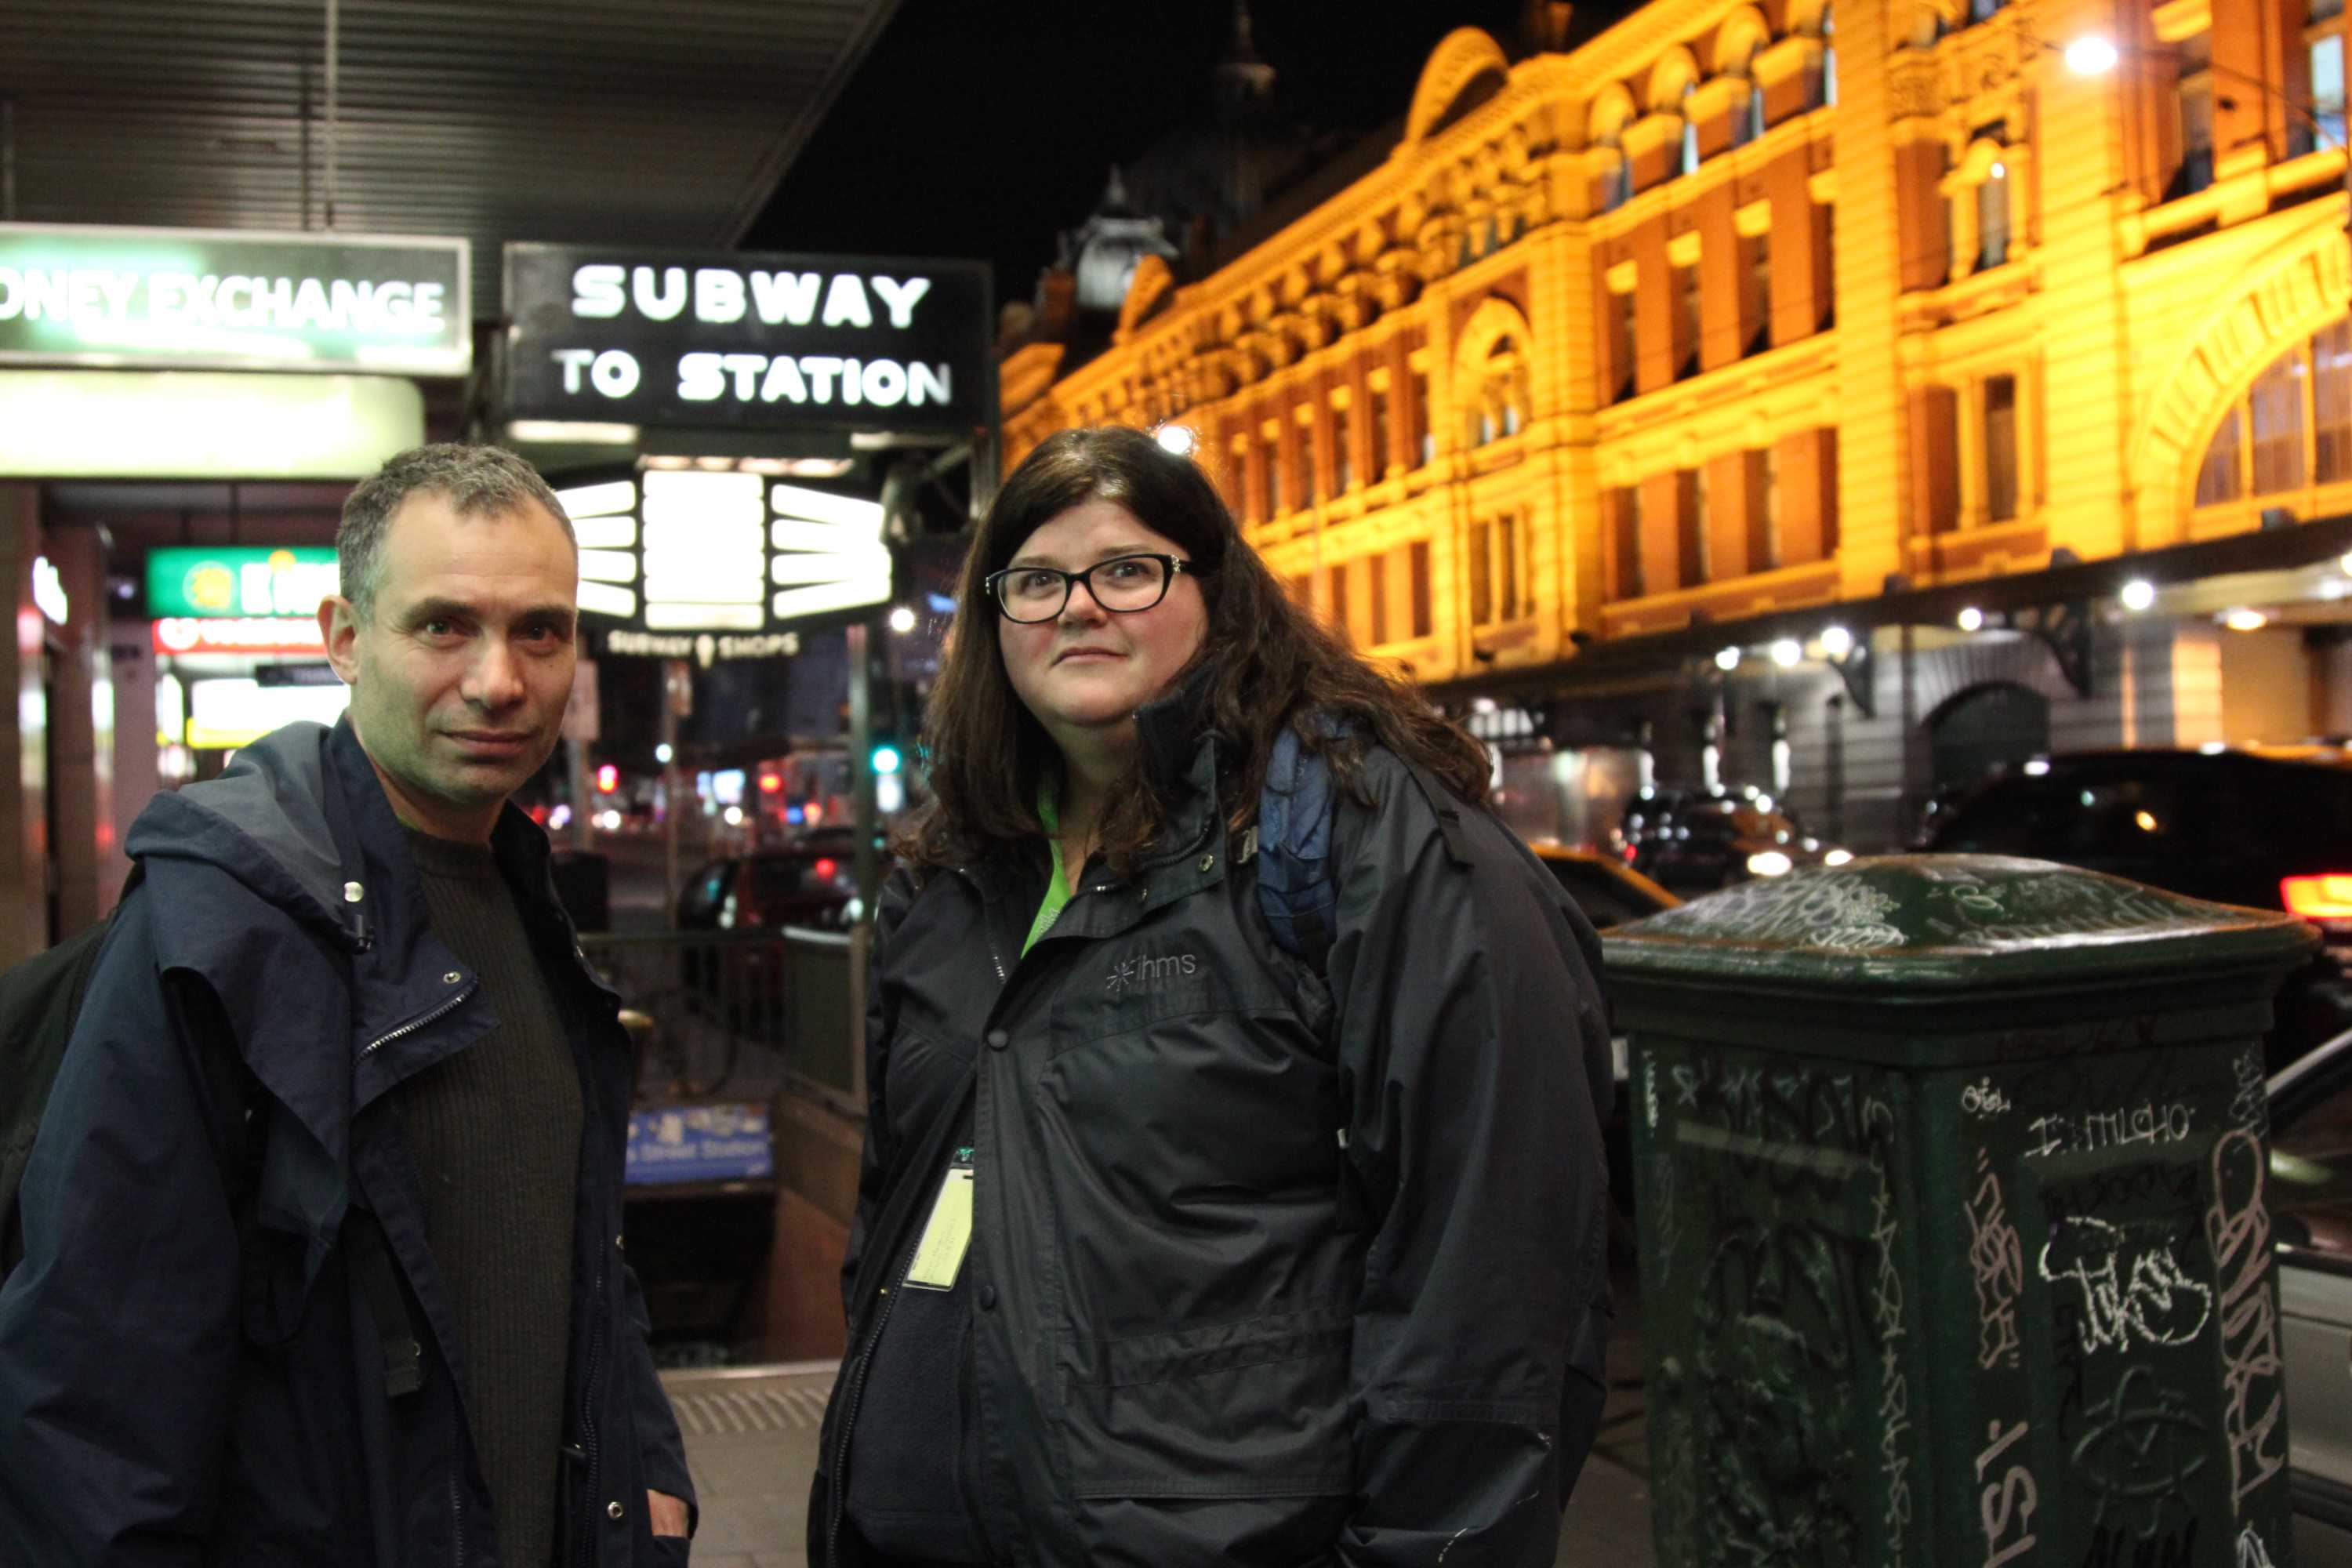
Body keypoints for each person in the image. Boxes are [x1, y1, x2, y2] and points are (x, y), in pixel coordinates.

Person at [809, 426, 1613, 1567]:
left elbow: (1491, 1274)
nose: (1079, 609)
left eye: (1128, 570)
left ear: (1217, 591)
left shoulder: (1359, 837)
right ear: (992, 621)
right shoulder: (950, 879)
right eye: (1036, 581)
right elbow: (897, 1212)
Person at [0, 444, 695, 1565]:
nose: (499, 681)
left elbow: (578, 1257)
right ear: (344, 638)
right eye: (444, 626)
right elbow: (94, 1402)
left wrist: (647, 1467)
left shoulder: (527, 903)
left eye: (540, 631)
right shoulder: (216, 935)